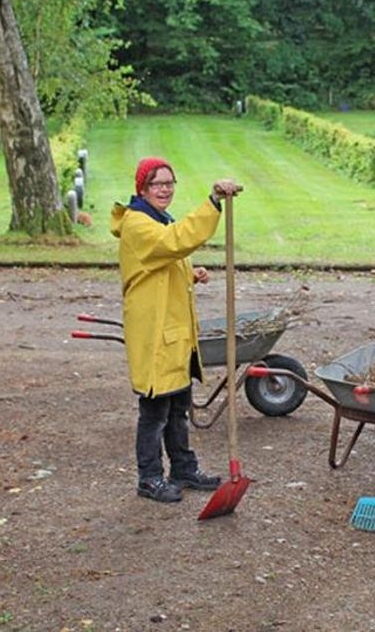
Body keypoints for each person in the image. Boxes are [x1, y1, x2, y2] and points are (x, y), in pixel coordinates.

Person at [110, 156, 241, 503]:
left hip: (173, 332)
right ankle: (149, 477)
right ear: (142, 188)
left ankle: (182, 468)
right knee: (155, 411)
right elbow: (173, 243)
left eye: (169, 182)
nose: (165, 189)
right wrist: (212, 202)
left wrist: (188, 274)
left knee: (179, 405)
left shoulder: (157, 218)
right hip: (154, 333)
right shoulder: (138, 224)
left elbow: (159, 265)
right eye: (157, 183)